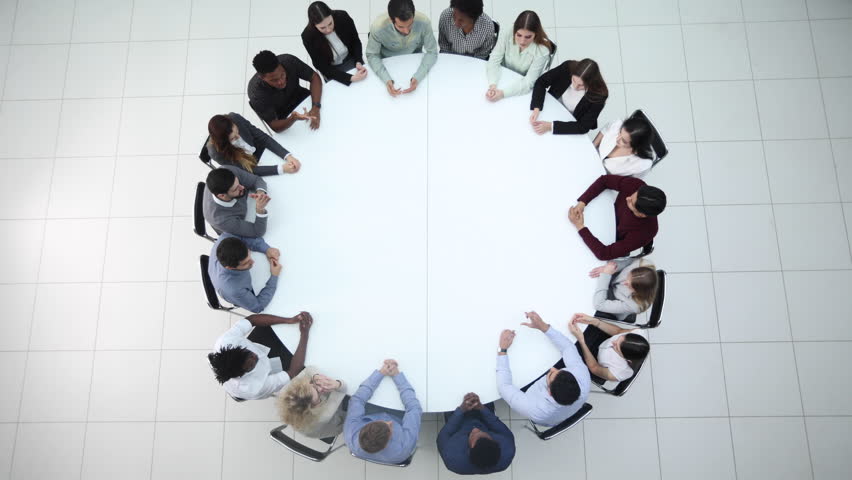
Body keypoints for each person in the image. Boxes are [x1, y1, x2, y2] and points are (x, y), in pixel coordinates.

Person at [496, 311, 590, 427]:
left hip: (547, 416)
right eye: (558, 371)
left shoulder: (534, 409)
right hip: (566, 408)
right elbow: (568, 348)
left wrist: (503, 349)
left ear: (549, 392)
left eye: (550, 375)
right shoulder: (583, 377)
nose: (552, 369)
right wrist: (543, 327)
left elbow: (504, 387)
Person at [209, 312, 313, 401]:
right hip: (270, 371)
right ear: (244, 372)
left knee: (271, 324)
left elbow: (252, 320)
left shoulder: (226, 342)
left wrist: (289, 320)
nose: (255, 355)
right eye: (251, 363)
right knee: (308, 357)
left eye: (248, 352)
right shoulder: (255, 387)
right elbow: (293, 372)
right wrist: (304, 334)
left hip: (260, 346)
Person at [569, 175, 667, 261]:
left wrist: (580, 226)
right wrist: (583, 202)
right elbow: (605, 180)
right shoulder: (637, 185)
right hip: (602, 213)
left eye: (631, 203)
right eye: (633, 194)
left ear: (642, 214)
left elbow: (604, 253)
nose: (627, 198)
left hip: (608, 238)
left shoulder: (646, 232)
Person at [344, 359, 422, 463]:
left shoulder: (351, 434)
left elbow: (357, 400)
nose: (389, 422)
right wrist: (397, 376)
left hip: (372, 411)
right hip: (398, 416)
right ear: (386, 443)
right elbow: (414, 408)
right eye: (390, 427)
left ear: (364, 427)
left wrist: (381, 373)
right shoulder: (404, 448)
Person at [366, 0, 438, 97]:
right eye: (401, 27)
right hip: (388, 63)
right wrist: (386, 80)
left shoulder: (424, 22)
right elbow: (372, 55)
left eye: (410, 24)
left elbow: (432, 52)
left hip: (414, 60)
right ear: (391, 20)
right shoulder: (378, 28)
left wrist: (418, 77)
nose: (407, 31)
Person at [437, 392, 515, 475]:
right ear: (495, 441)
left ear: (469, 449)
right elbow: (497, 425)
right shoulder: (507, 449)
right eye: (482, 432)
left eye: (473, 435)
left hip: (459, 424)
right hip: (483, 419)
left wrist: (460, 410)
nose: (475, 429)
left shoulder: (452, 456)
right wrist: (482, 408)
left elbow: (445, 434)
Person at [248, 50, 324, 132]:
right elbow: (274, 125)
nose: (281, 82)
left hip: (305, 98)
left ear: (281, 64)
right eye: (274, 80)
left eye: (282, 75)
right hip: (284, 117)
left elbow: (314, 77)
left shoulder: (289, 61)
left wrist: (315, 107)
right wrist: (292, 119)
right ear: (262, 78)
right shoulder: (256, 93)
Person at [485, 10, 551, 102]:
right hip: (501, 76)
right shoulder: (507, 32)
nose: (522, 41)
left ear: (536, 34)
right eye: (519, 35)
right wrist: (492, 85)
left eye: (528, 37)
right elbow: (494, 59)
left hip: (520, 87)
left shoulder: (542, 50)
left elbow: (529, 82)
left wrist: (503, 94)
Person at [530, 58, 608, 135]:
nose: (575, 87)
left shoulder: (599, 95)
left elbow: (583, 127)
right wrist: (537, 107)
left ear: (591, 83)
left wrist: (551, 126)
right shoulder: (567, 67)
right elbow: (541, 82)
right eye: (573, 80)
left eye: (581, 85)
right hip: (551, 106)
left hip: (570, 122)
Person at [207, 113, 301, 177]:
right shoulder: (216, 152)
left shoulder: (235, 118)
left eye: (237, 131)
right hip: (251, 166)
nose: (238, 137)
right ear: (225, 142)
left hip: (260, 149)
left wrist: (287, 156)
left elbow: (262, 137)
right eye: (233, 138)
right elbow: (247, 169)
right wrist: (281, 169)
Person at [208, 233, 282, 313]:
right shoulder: (234, 290)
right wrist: (274, 275)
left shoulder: (226, 237)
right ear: (231, 267)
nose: (253, 262)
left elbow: (241, 236)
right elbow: (258, 307)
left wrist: (266, 249)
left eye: (249, 255)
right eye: (246, 263)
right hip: (241, 292)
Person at [569, 313, 650, 383]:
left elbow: (594, 367)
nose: (613, 342)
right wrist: (595, 322)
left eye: (616, 347)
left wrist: (581, 341)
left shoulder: (618, 372)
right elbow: (618, 331)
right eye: (620, 338)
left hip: (593, 360)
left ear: (627, 360)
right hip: (602, 340)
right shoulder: (637, 333)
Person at [301, 1, 368, 86]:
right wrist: (350, 78)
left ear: (332, 15)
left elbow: (355, 41)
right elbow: (322, 66)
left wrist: (358, 61)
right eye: (322, 28)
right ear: (314, 25)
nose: (328, 30)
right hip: (331, 69)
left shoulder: (342, 17)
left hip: (350, 58)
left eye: (330, 24)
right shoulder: (308, 36)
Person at [277, 366, 349, 439]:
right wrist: (337, 384)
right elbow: (342, 389)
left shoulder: (288, 392)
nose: (320, 388)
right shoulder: (322, 417)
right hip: (335, 424)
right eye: (318, 396)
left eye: (313, 387)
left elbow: (308, 369)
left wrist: (315, 376)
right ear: (313, 409)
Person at [202, 166, 270, 238]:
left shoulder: (227, 171)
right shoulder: (221, 220)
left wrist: (260, 192)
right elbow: (257, 231)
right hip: (235, 231)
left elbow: (256, 180)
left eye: (239, 183)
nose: (242, 187)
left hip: (247, 208)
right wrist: (260, 209)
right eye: (235, 189)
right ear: (222, 196)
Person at [589, 258, 658, 321]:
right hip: (612, 279)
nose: (624, 282)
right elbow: (628, 262)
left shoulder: (635, 305)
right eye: (628, 276)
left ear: (637, 291)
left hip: (612, 299)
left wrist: (606, 274)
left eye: (629, 285)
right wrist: (613, 267)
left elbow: (599, 305)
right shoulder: (644, 263)